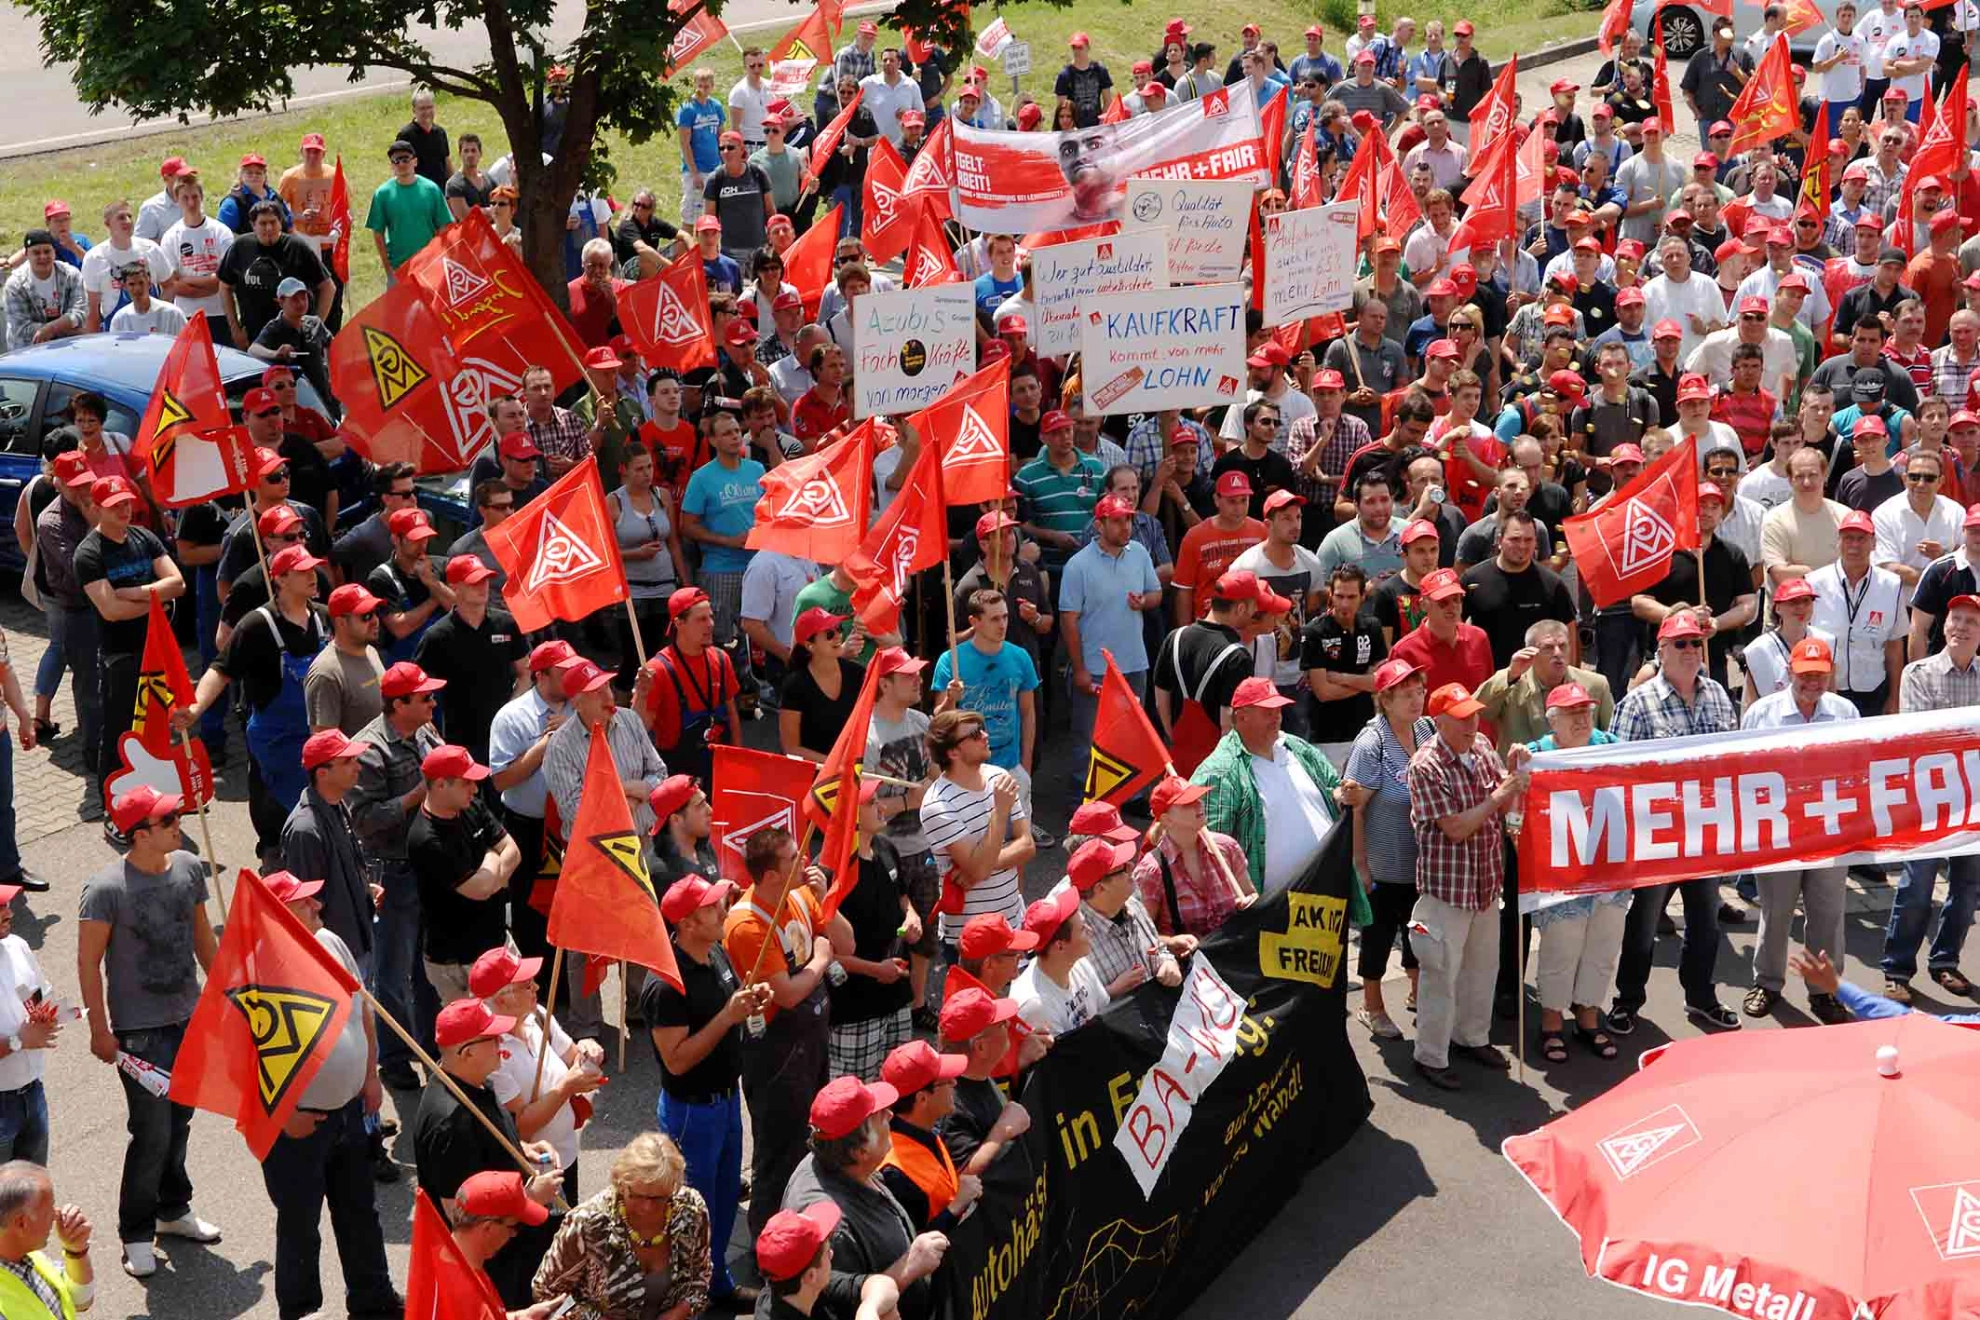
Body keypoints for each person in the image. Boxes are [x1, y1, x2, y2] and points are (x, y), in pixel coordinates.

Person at [77, 785, 221, 1279]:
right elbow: (88, 963)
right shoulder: (104, 890)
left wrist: (226, 996)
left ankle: (173, 1210)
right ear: (139, 835)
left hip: (190, 1019)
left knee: (179, 1122)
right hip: (140, 1033)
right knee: (152, 1132)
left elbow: (204, 937)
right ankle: (136, 1233)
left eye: (176, 815)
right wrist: (100, 1029)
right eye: (167, 820)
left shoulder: (187, 867)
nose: (178, 823)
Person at [256, 871, 398, 1320]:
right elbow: (244, 1063)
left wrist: (370, 1076)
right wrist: (282, 1115)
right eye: (304, 903)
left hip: (350, 1111)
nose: (317, 907)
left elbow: (365, 1012)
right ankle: (300, 1312)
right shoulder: (262, 976)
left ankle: (373, 1300)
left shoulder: (331, 943)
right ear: (279, 916)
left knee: (361, 1212)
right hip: (298, 1127)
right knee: (300, 1227)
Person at [1608, 613, 1744, 1036]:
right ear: (1661, 651)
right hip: (1657, 836)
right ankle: (1627, 1000)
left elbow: (1735, 759)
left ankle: (1701, 996)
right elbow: (1617, 772)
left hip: (1705, 832)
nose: (1690, 651)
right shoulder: (1637, 702)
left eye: (1695, 643)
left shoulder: (1720, 695)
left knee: (1705, 921)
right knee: (1644, 923)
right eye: (1680, 643)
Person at [644, 873, 765, 1311]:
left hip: (726, 1101)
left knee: (723, 1197)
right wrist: (727, 1018)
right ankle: (689, 1297)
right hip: (693, 1111)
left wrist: (750, 1001)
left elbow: (730, 1002)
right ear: (688, 922)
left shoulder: (714, 952)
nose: (723, 908)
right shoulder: (665, 985)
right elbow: (676, 1059)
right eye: (713, 906)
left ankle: (716, 1283)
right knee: (694, 1213)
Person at [722, 826, 843, 1236]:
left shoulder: (800, 895)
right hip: (776, 1052)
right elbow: (788, 993)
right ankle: (767, 1246)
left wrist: (827, 899)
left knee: (814, 1137)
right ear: (771, 875)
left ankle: (805, 1227)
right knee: (778, 1153)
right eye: (794, 858)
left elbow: (840, 938)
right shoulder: (746, 924)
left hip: (812, 1039)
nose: (805, 861)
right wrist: (821, 960)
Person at [1404, 683, 1526, 1091]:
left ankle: (1472, 1038)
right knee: (1440, 974)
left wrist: (1513, 771)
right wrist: (1500, 795)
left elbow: (1507, 804)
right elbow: (1455, 828)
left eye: (1473, 715)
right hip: (1446, 893)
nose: (1471, 723)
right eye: (1461, 718)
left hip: (1486, 886)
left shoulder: (1483, 750)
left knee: (1481, 970)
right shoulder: (1425, 766)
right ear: (1439, 722)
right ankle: (1431, 1056)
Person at [179, 541, 330, 866]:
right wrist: (195, 709)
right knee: (276, 825)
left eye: (312, 568)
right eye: (303, 571)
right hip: (275, 743)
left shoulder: (323, 620)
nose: (313, 576)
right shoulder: (257, 625)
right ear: (280, 578)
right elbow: (220, 670)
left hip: (317, 739)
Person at [1736, 638, 1856, 1024]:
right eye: (1805, 675)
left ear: (1830, 674)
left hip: (1830, 832)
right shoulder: (1762, 714)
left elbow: (1860, 770)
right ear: (1788, 672)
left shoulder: (1846, 712)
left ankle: (1824, 990)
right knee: (1776, 912)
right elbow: (1742, 769)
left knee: (1827, 914)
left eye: (1820, 674)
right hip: (1778, 834)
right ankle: (1768, 983)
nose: (1813, 682)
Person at [413, 999, 563, 1308]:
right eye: (492, 1038)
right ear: (467, 1052)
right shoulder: (450, 1123)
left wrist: (523, 1149)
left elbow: (491, 1139)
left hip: (513, 1245)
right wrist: (530, 1198)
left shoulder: (476, 1083)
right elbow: (461, 1213)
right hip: (495, 1263)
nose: (500, 1043)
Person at [775, 1075, 948, 1320]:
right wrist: (909, 1267)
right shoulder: (832, 1226)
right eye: (879, 1117)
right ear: (860, 1151)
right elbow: (847, 1309)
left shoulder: (845, 1161)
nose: (890, 1115)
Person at [1521, 682, 1631, 1064]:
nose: (1582, 719)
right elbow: (1514, 804)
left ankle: (1588, 1015)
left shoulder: (1612, 746)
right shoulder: (1536, 755)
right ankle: (1551, 1023)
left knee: (1603, 944)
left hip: (1608, 867)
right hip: (1561, 874)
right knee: (1562, 946)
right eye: (1572, 713)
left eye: (1586, 710)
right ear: (1553, 720)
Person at [349, 662, 448, 1082]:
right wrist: (414, 797)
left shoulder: (425, 731)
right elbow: (362, 818)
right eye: (424, 697)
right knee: (391, 969)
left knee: (429, 964)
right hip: (390, 872)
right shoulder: (370, 751)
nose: (432, 702)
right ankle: (392, 1058)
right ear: (398, 704)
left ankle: (429, 1046)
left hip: (428, 865)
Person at [1881, 592, 1980, 1002]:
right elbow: (1921, 739)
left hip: (1975, 802)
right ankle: (1897, 970)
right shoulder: (1918, 673)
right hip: (1929, 801)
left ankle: (1944, 962)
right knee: (1916, 886)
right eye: (1955, 619)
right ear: (1944, 626)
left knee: (1968, 890)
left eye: (1971, 622)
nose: (1961, 627)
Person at [75, 477, 182, 823]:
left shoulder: (144, 537)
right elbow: (111, 611)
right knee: (121, 732)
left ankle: (158, 796)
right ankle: (113, 807)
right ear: (97, 508)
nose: (125, 508)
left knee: (157, 726)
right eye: (115, 504)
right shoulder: (89, 555)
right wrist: (157, 601)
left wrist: (137, 593)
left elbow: (177, 583)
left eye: (127, 502)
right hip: (120, 656)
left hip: (158, 651)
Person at [1191, 677, 1349, 895]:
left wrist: (1344, 794)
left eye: (1279, 710)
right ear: (1242, 716)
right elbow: (1210, 850)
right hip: (1269, 911)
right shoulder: (1219, 773)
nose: (1277, 717)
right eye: (1267, 712)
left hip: (1323, 899)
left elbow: (1333, 788)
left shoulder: (1297, 748)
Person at [531, 1132, 712, 1320]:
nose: (646, 1207)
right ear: (620, 1182)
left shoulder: (691, 1210)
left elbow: (701, 1276)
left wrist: (679, 1313)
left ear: (673, 1188)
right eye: (637, 1195)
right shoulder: (588, 1223)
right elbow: (545, 1293)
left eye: (658, 1198)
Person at [478, 947, 602, 1206]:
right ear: (502, 999)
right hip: (533, 1173)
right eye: (525, 985)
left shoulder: (537, 1016)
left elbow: (571, 1056)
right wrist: (567, 1088)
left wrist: (587, 1050)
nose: (536, 986)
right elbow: (519, 1127)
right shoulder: (490, 1054)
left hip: (566, 1153)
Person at [410, 746, 520, 1009]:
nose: (474, 788)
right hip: (456, 963)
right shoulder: (426, 838)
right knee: (477, 1040)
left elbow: (514, 852)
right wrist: (493, 856)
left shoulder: (472, 806)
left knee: (517, 1023)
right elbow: (480, 889)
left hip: (496, 943)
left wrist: (489, 872)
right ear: (439, 786)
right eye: (466, 782)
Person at [1061, 495, 1163, 769]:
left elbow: (1156, 593)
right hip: (1096, 668)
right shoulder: (1078, 565)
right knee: (1089, 739)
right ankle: (1082, 802)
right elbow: (1068, 621)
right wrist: (1080, 669)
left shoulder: (1140, 553)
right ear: (1099, 525)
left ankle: (1132, 797)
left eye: (1128, 519)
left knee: (1132, 735)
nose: (1126, 526)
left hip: (1134, 665)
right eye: (1117, 521)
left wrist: (1145, 601)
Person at [921, 709, 1034, 949]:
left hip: (1013, 921)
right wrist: (1000, 812)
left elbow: (1027, 846)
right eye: (974, 734)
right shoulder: (937, 805)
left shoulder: (999, 778)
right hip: (971, 938)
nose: (985, 735)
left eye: (982, 728)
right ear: (952, 752)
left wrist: (977, 866)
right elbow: (981, 869)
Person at [827, 782, 916, 1082]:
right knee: (859, 1098)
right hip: (856, 1010)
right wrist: (876, 969)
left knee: (900, 1085)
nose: (882, 807)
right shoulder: (830, 872)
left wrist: (912, 918)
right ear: (850, 814)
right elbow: (826, 952)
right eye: (872, 802)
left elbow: (903, 897)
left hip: (897, 995)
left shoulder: (885, 847)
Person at [1153, 570, 1269, 774]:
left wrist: (1174, 737)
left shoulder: (1174, 637)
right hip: (1216, 769)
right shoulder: (1237, 656)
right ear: (1241, 608)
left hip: (1179, 763)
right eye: (1254, 606)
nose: (1255, 612)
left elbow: (1160, 698)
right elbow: (1228, 721)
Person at [413, 558, 527, 765]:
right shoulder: (437, 636)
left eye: (484, 580)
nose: (482, 587)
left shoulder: (507, 624)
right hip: (460, 741)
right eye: (474, 582)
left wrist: (509, 711)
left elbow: (525, 673)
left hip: (506, 736)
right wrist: (427, 723)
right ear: (454, 588)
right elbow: (417, 688)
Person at [1808, 508, 1906, 716]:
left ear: (1874, 543)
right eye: (1848, 538)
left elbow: (1894, 645)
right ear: (1838, 542)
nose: (1854, 545)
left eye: (1861, 538)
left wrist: (1895, 697)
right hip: (1827, 691)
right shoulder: (1815, 583)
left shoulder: (1892, 585)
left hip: (1873, 689)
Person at [1131, 774, 1251, 942]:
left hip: (1234, 961)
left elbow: (1250, 894)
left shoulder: (1227, 848)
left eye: (1198, 798)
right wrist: (1171, 942)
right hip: (1188, 965)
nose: (1199, 804)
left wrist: (1250, 904)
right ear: (1167, 819)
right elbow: (1142, 934)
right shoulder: (1151, 871)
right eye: (1188, 803)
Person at [641, 586, 741, 785]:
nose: (710, 624)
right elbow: (640, 730)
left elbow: (732, 714)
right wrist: (642, 694)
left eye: (710, 617)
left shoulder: (721, 659)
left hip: (719, 768)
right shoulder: (658, 670)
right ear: (679, 623)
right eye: (701, 619)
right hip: (678, 777)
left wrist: (738, 758)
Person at [935, 988, 1034, 1175]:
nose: (1009, 1026)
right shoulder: (950, 1105)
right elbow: (964, 1176)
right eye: (1002, 1024)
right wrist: (1002, 1131)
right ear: (981, 1046)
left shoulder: (980, 1073)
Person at [0, 1162, 96, 1320]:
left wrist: (76, 1250)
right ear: (22, 1223)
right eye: (49, 1209)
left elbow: (81, 1301)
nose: (55, 1215)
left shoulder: (30, 1258)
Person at [306, 584, 387, 737]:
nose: (376, 621)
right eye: (366, 616)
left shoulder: (370, 651)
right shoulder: (327, 673)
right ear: (341, 622)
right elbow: (325, 744)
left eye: (376, 613)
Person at [3, 231, 86, 349]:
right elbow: (21, 329)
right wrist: (66, 326)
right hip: (28, 350)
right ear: (26, 254)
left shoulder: (71, 275)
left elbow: (80, 313)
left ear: (54, 252)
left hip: (68, 347)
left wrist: (51, 329)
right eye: (36, 253)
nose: (42, 257)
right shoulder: (15, 285)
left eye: (47, 251)